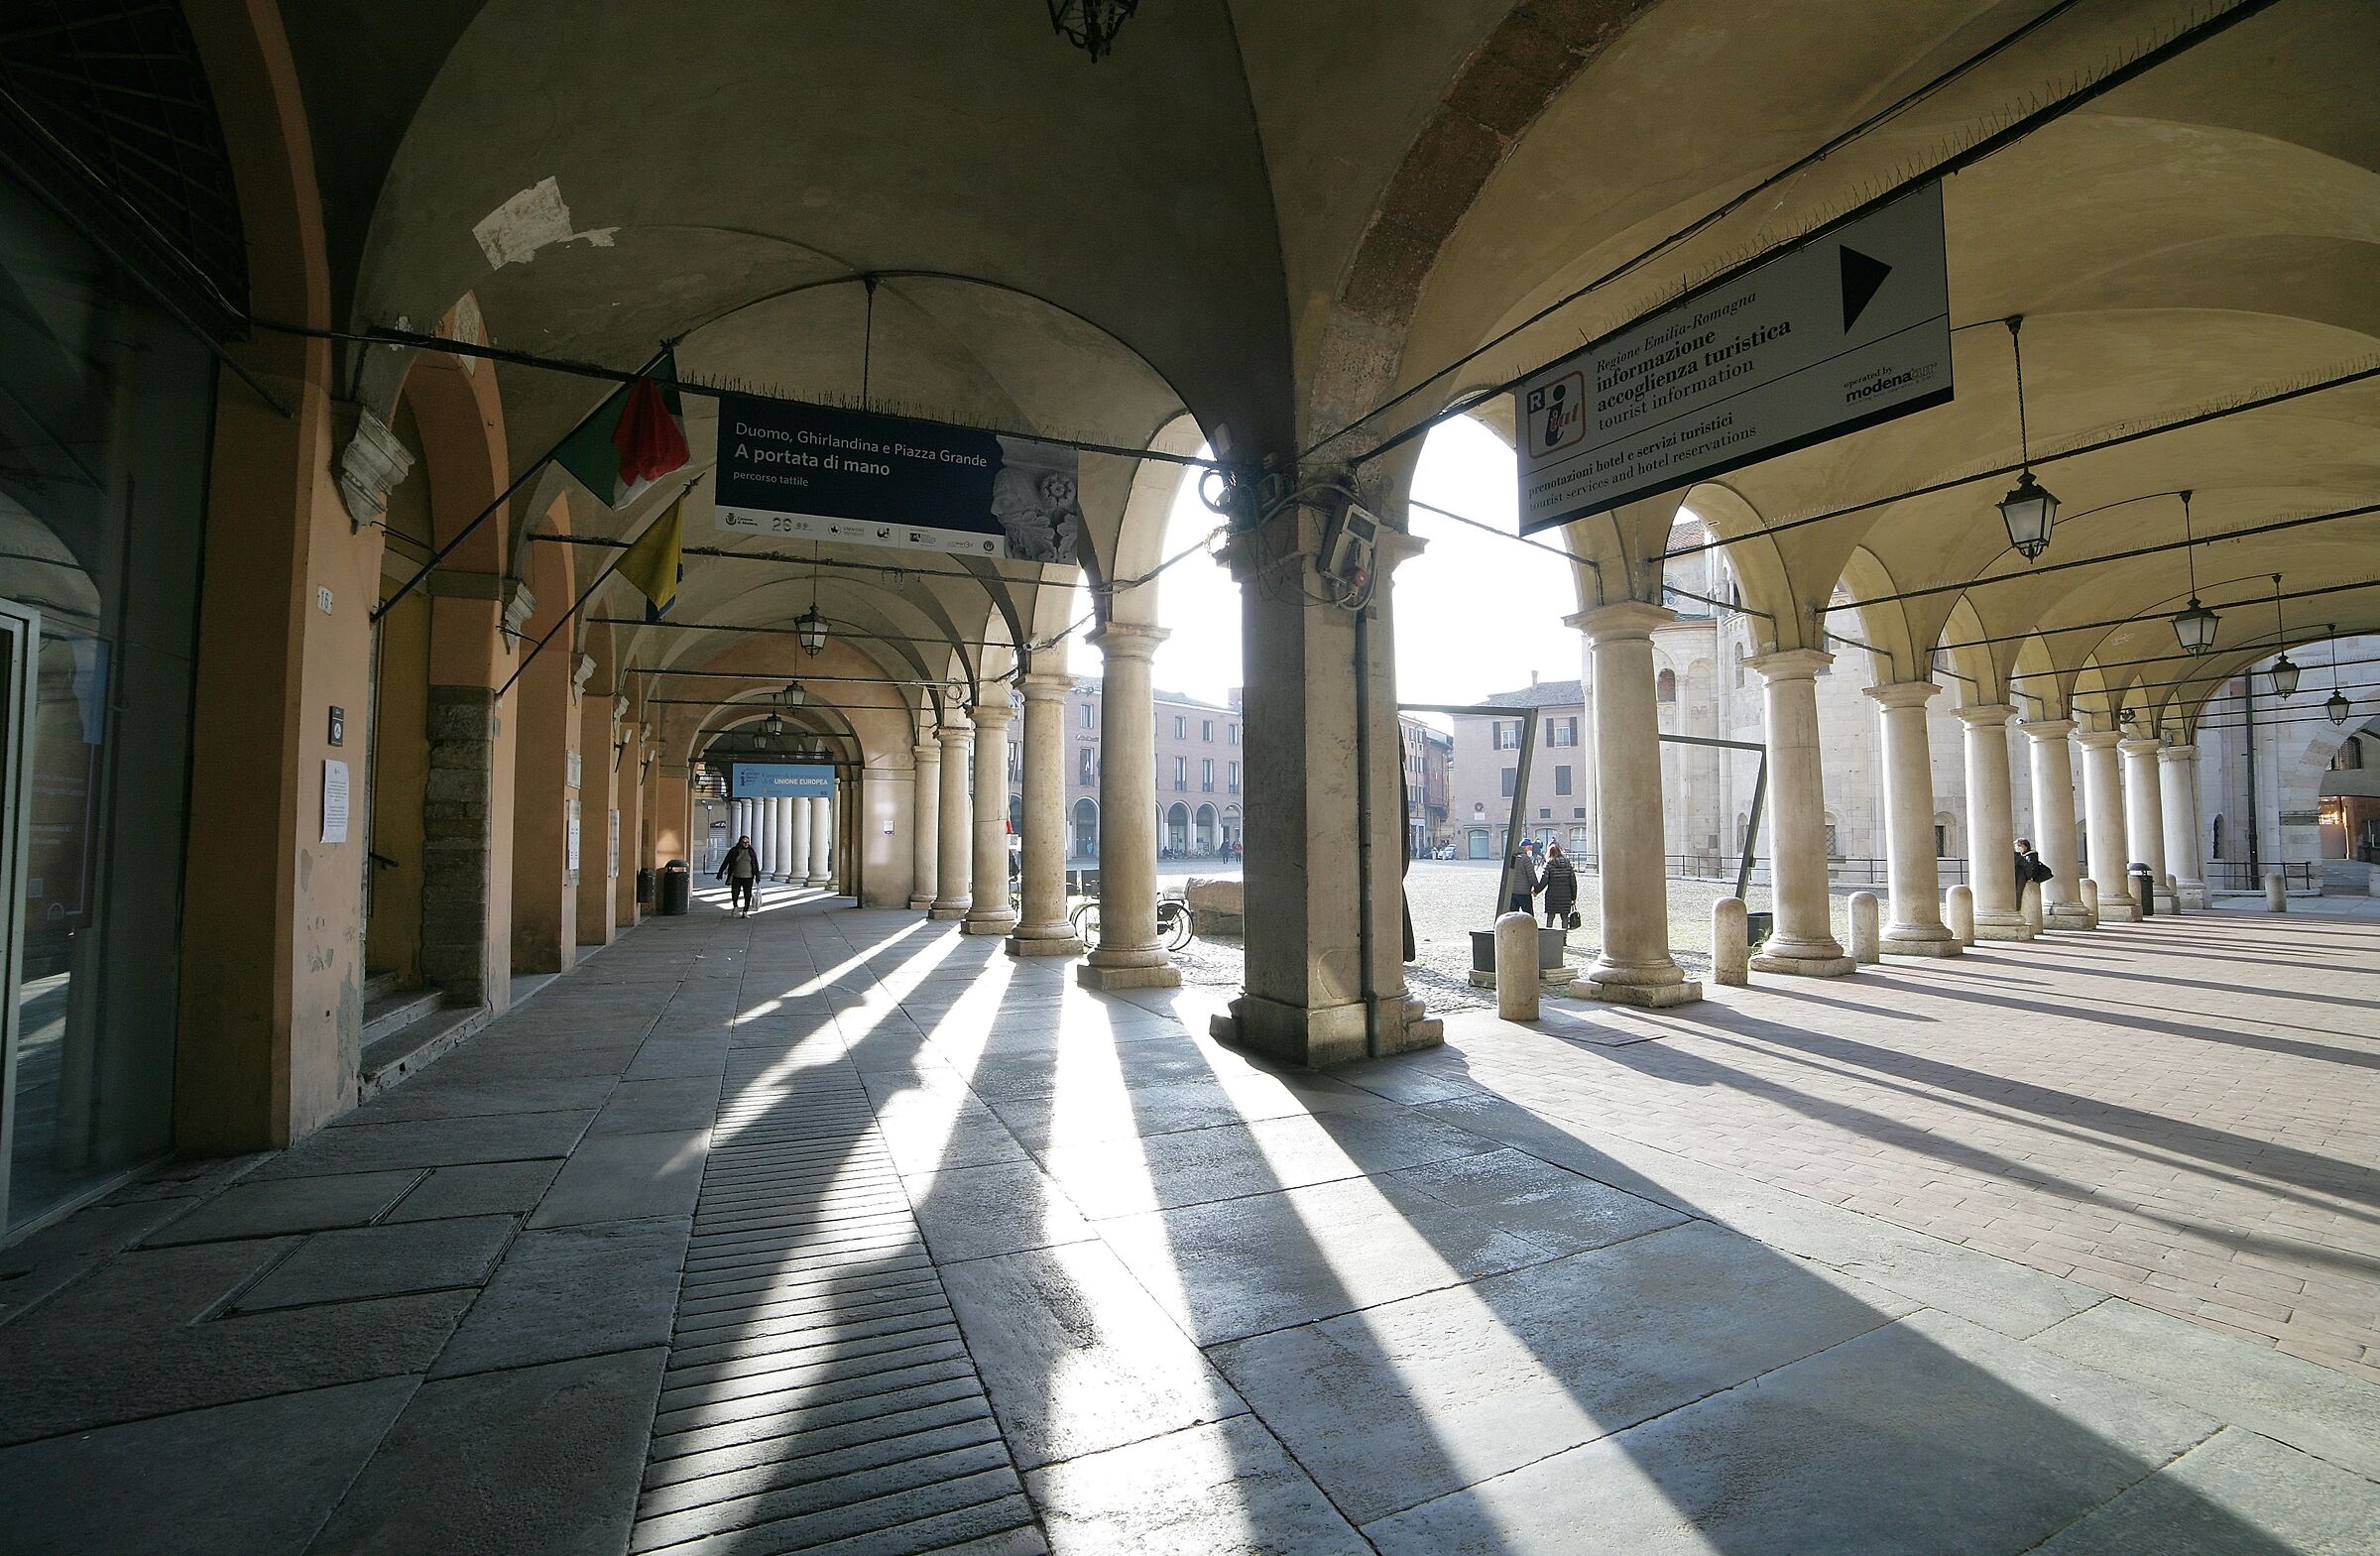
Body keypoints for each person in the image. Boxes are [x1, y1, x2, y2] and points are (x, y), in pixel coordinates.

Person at [718, 832, 760, 915]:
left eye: (747, 842)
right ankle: (735, 906)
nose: (746, 844)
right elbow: (726, 861)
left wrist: (757, 876)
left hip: (748, 876)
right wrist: (720, 872)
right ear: (740, 842)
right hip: (736, 876)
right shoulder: (734, 850)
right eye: (744, 842)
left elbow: (755, 863)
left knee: (747, 894)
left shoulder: (751, 851)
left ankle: (745, 911)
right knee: (735, 892)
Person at [1540, 841, 1578, 929]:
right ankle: (1563, 939)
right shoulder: (1568, 865)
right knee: (1564, 918)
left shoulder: (1549, 865)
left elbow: (1544, 881)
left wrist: (1536, 891)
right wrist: (1573, 897)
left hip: (1552, 896)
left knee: (1550, 917)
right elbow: (1573, 883)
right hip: (1565, 895)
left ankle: (1548, 936)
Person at [1504, 838, 1540, 916]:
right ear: (1526, 846)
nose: (1531, 847)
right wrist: (1537, 888)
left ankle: (1513, 928)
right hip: (1524, 892)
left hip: (1512, 892)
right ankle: (1528, 928)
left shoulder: (1513, 857)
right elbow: (1531, 875)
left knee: (1513, 916)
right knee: (1528, 916)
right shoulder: (1525, 858)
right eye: (1530, 845)